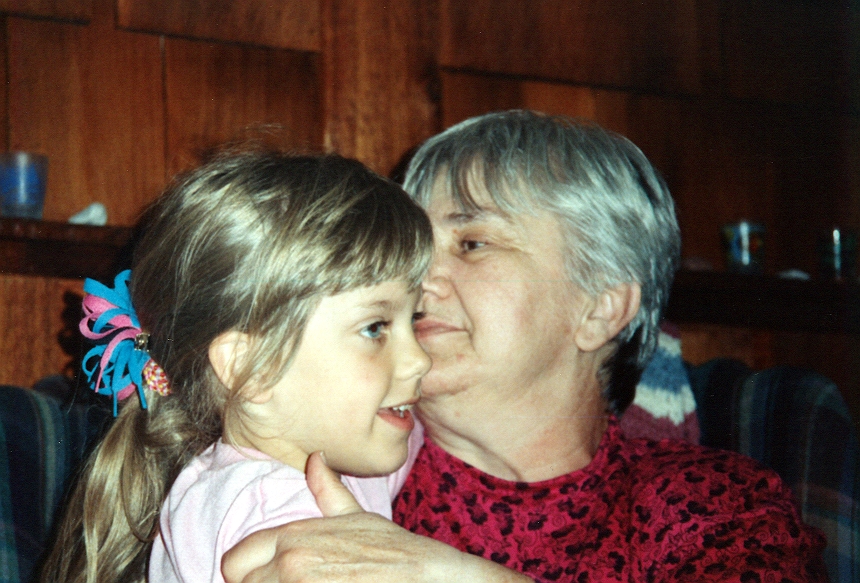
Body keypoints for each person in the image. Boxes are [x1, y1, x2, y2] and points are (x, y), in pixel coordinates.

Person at [222, 111, 828, 583]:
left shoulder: (711, 505)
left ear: (600, 307)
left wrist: (447, 576)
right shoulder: (304, 478)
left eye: (472, 243)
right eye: (412, 249)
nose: (415, 281)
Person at [40, 150, 441, 583]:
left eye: (415, 318)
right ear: (251, 366)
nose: (419, 359)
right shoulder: (274, 520)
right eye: (375, 328)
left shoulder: (323, 458)